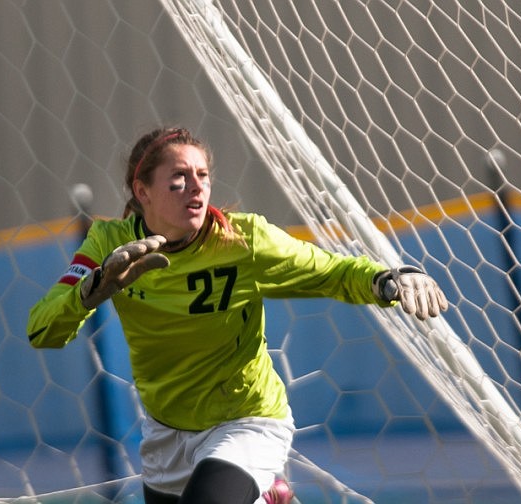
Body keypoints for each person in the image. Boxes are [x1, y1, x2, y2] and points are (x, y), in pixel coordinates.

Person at [27, 127, 448, 504]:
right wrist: (89, 293)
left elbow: (331, 271)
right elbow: (41, 330)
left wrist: (389, 278)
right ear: (143, 191)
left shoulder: (242, 239)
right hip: (165, 432)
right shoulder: (107, 243)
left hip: (246, 421)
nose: (196, 187)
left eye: (203, 175)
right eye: (179, 178)